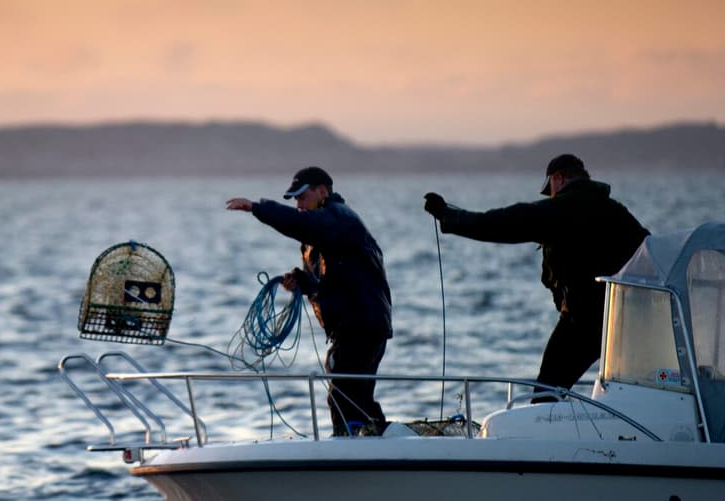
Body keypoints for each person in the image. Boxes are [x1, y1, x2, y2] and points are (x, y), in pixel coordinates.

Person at [423, 154, 649, 401]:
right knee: (632, 387)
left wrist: (447, 215)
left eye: (551, 188)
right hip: (626, 319)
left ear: (558, 178)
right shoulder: (617, 212)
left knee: (546, 394)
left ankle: (544, 436)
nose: (551, 194)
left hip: (582, 322)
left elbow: (499, 223)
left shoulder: (560, 210)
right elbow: (651, 253)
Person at [227, 166, 393, 436]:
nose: (298, 204)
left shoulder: (338, 217)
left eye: (302, 197)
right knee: (357, 397)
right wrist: (301, 282)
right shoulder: (321, 232)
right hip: (357, 324)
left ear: (323, 192)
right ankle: (382, 442)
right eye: (294, 199)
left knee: (343, 395)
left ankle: (349, 446)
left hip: (361, 324)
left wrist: (257, 208)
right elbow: (331, 284)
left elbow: (301, 224)